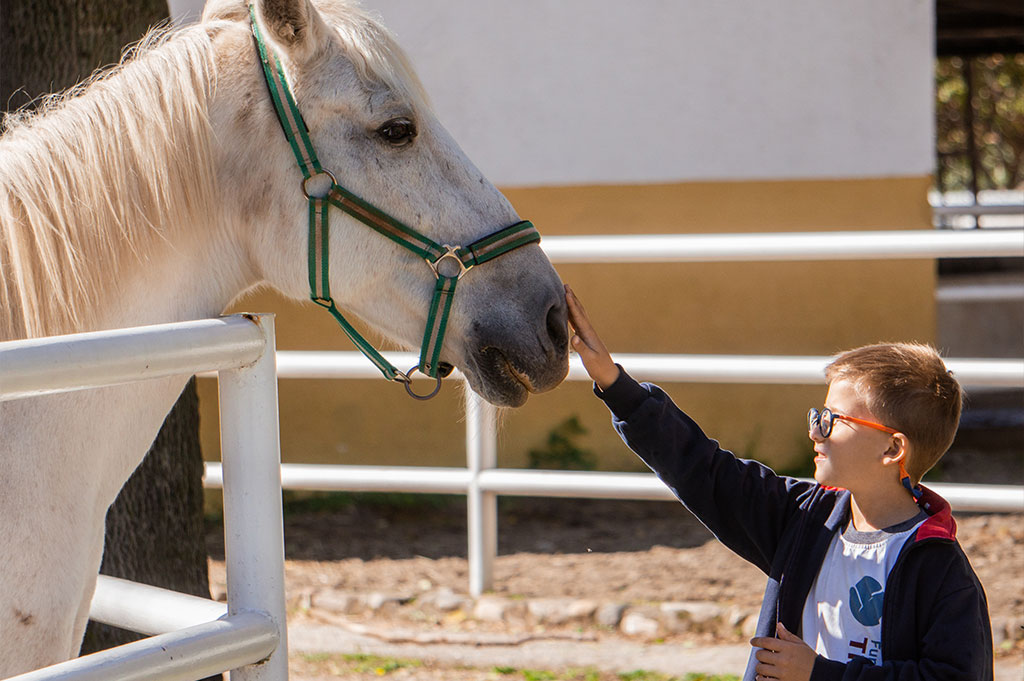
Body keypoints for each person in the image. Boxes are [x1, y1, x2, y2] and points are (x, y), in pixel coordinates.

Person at [564, 285, 993, 681]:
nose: (814, 431)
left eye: (832, 421)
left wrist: (819, 674)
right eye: (817, 416)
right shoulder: (804, 519)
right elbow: (705, 470)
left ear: (892, 449)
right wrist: (615, 384)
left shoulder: (941, 570)